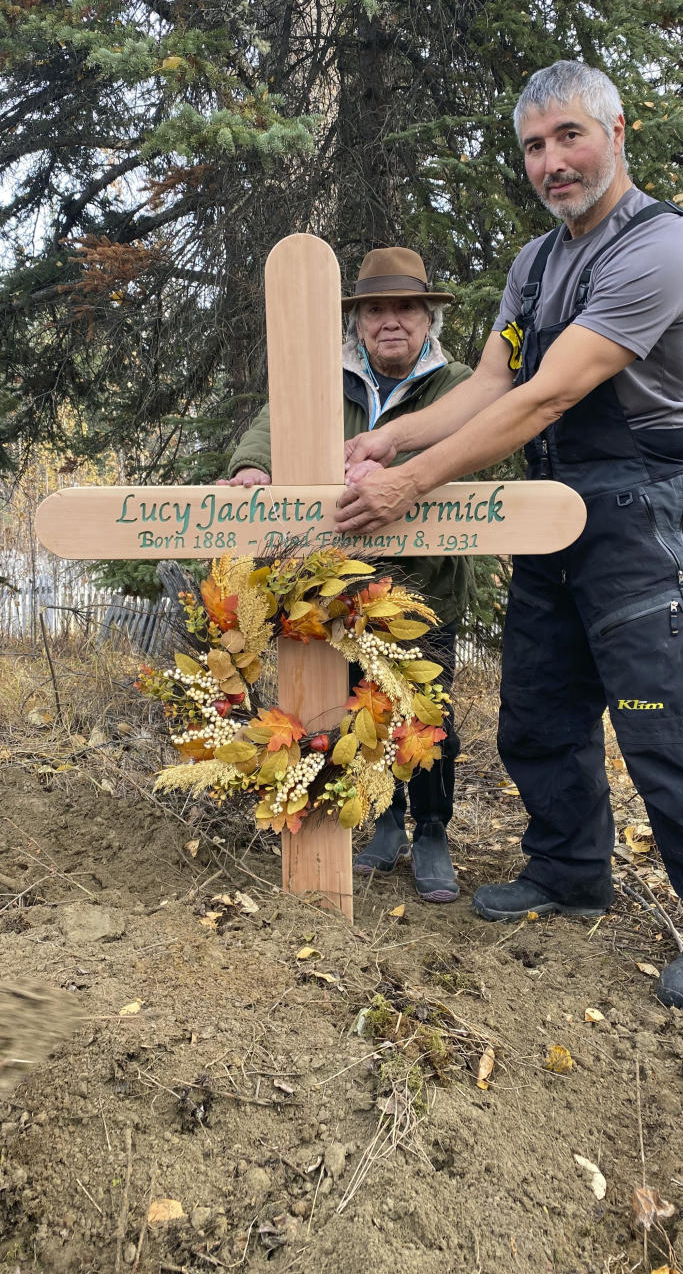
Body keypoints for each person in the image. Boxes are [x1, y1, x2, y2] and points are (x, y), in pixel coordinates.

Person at [335, 62, 683, 1010]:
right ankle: (570, 868)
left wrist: (412, 482)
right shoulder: (535, 268)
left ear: (615, 133)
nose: (552, 161)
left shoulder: (660, 248)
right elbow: (493, 385)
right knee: (539, 708)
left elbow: (556, 388)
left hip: (640, 511)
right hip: (549, 509)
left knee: (669, 724)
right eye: (536, 147)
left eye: (568, 137)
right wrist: (383, 437)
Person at [220, 246, 473, 903]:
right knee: (359, 707)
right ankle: (384, 822)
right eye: (377, 310)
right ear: (358, 322)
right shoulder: (325, 378)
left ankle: (433, 833)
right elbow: (275, 426)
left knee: (426, 712)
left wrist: (401, 470)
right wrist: (252, 468)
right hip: (341, 585)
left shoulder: (459, 383)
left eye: (406, 308)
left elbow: (474, 446)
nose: (391, 321)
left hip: (425, 586)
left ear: (427, 319)